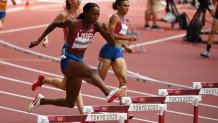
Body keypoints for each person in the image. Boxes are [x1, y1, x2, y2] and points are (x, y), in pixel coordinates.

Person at [27, 2, 126, 113]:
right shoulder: (73, 23)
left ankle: (41, 101)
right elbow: (53, 25)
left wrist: (107, 32)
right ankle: (108, 93)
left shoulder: (96, 25)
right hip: (67, 60)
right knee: (93, 72)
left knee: (69, 103)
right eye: (94, 14)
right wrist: (39, 40)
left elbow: (112, 44)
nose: (96, 17)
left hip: (79, 62)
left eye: (98, 14)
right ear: (86, 13)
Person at [31, 0, 84, 114]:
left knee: (64, 85)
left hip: (79, 52)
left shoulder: (82, 13)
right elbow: (52, 26)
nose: (79, 1)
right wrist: (46, 38)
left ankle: (42, 80)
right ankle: (83, 115)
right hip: (68, 53)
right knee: (76, 82)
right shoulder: (63, 14)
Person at [98, 0, 136, 103]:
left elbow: (119, 38)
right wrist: (127, 38)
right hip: (108, 51)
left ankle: (123, 106)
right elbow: (110, 34)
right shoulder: (115, 17)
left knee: (123, 79)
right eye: (124, 5)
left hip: (118, 51)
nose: (127, 7)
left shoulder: (124, 19)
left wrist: (125, 46)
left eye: (128, 6)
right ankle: (80, 77)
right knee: (99, 79)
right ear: (118, 6)